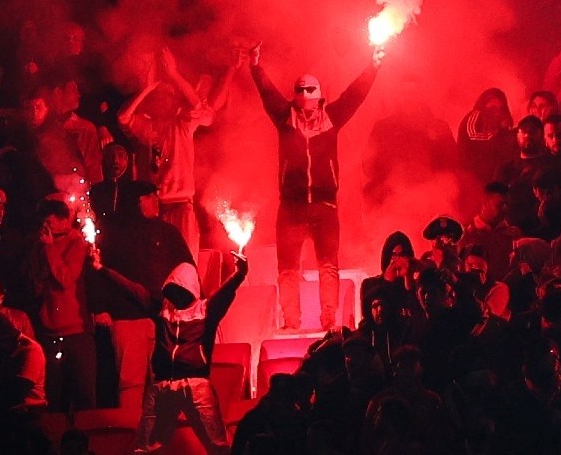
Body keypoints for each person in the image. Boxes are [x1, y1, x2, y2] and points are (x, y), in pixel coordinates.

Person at [249, 44, 381, 331]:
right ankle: (291, 322)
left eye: (311, 89)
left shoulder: (332, 117)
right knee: (287, 270)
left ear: (320, 94)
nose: (306, 94)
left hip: (325, 207)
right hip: (291, 207)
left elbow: (355, 95)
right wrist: (256, 65)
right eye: (301, 89)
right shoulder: (285, 118)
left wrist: (373, 65)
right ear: (295, 94)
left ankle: (329, 321)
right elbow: (267, 93)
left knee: (328, 266)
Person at [92, 250, 248, 454]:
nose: (178, 296)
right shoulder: (162, 310)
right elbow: (130, 289)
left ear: (191, 288)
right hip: (163, 386)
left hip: (196, 384)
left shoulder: (206, 311)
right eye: (174, 291)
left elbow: (226, 292)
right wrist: (101, 269)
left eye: (181, 291)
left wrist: (239, 274)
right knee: (145, 448)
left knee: (218, 445)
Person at [120, 47, 236, 256]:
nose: (163, 100)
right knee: (157, 266)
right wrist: (146, 88)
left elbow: (197, 106)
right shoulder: (147, 126)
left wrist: (174, 75)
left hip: (181, 206)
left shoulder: (182, 124)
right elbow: (123, 118)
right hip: (155, 208)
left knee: (186, 262)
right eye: (158, 96)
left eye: (168, 96)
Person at [88, 181, 195, 408]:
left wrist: (189, 303)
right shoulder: (114, 234)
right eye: (151, 196)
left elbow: (186, 267)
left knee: (163, 381)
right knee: (131, 382)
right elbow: (97, 271)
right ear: (138, 201)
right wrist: (99, 308)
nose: (157, 201)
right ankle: (130, 433)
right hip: (128, 319)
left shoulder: (167, 232)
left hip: (163, 319)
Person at [28, 198, 97, 412]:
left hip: (76, 330)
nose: (45, 227)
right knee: (53, 396)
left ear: (63, 220)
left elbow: (66, 278)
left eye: (49, 221)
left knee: (84, 394)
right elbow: (36, 283)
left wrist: (49, 249)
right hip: (50, 331)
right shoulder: (41, 245)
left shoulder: (77, 243)